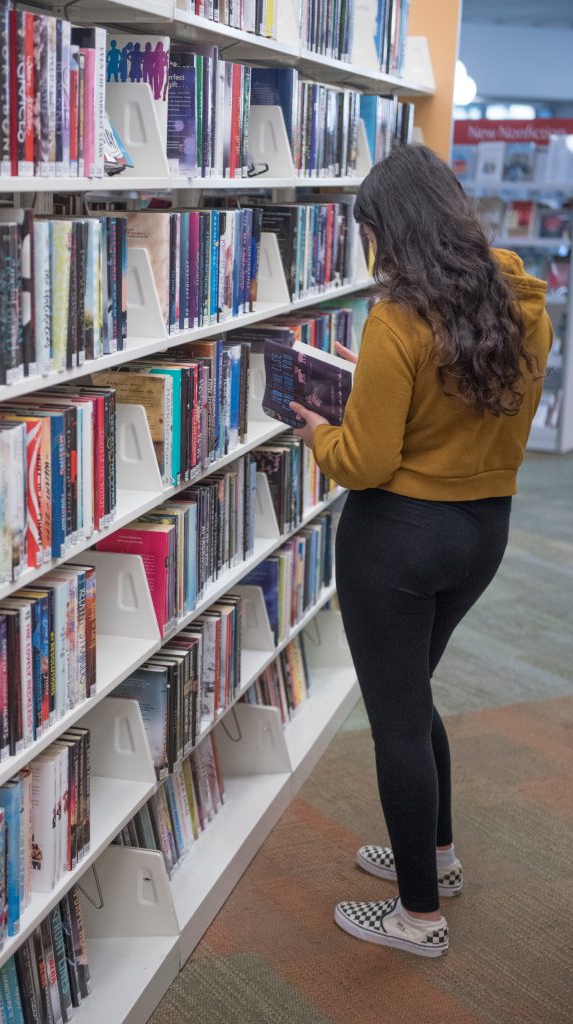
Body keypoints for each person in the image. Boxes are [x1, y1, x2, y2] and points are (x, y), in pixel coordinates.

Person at [289, 143, 552, 959]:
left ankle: (417, 917)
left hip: (397, 541)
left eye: (369, 234)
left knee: (396, 720)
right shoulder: (522, 299)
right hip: (485, 532)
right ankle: (436, 860)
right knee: (415, 695)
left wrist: (316, 430)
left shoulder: (397, 321)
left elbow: (365, 462)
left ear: (391, 231)